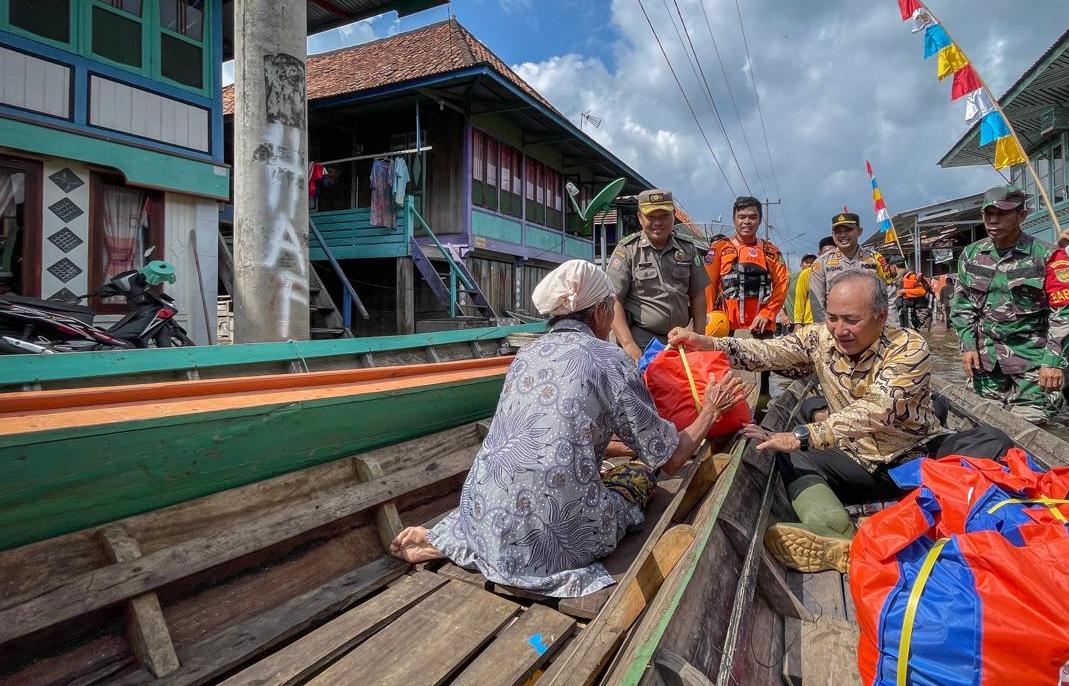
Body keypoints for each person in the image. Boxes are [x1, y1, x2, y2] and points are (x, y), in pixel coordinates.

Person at [391, 260, 744, 596]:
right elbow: (671, 459)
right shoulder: (610, 360)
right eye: (610, 306)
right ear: (601, 311)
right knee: (637, 480)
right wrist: (710, 410)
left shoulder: (527, 354)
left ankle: (449, 539)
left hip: (482, 518)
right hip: (551, 542)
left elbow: (562, 436)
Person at [669, 271, 944, 573]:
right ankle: (836, 533)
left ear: (881, 317)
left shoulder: (909, 346)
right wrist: (704, 342)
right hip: (858, 460)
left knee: (986, 444)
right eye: (833, 318)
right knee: (785, 455)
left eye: (851, 320)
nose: (840, 330)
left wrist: (801, 436)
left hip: (910, 462)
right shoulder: (820, 337)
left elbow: (875, 411)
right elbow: (766, 352)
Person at [951, 185, 1069, 423]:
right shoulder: (971, 255)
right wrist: (968, 347)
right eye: (988, 214)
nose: (993, 221)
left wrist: (1054, 363)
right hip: (985, 369)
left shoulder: (1047, 256)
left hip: (1033, 371)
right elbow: (962, 307)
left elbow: (1064, 312)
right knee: (981, 429)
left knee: (1031, 432)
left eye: (1002, 214)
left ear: (1021, 215)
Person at [607, 189, 709, 361]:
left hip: (681, 341)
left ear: (673, 216)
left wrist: (699, 338)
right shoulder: (627, 251)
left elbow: (698, 295)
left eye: (663, 216)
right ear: (640, 218)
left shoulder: (688, 249)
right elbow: (613, 299)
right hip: (641, 343)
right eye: (651, 217)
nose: (658, 223)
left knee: (682, 387)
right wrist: (628, 344)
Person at [704, 196, 789, 336]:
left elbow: (782, 285)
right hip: (725, 328)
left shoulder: (772, 252)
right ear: (734, 219)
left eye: (752, 217)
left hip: (762, 328)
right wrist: (708, 319)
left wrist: (767, 313)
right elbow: (708, 286)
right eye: (741, 217)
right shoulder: (719, 248)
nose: (746, 222)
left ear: (760, 220)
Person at [808, 211, 895, 323]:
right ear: (833, 234)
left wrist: (892, 328)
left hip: (870, 325)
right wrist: (824, 331)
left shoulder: (876, 259)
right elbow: (817, 303)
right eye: (838, 232)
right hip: (838, 327)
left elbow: (889, 297)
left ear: (859, 231)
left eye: (848, 230)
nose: (843, 235)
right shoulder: (821, 263)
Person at [791, 238, 835, 330]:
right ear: (820, 254)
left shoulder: (841, 271)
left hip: (835, 322)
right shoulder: (806, 273)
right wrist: (798, 322)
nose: (829, 256)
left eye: (833, 252)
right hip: (811, 323)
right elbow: (800, 299)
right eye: (826, 252)